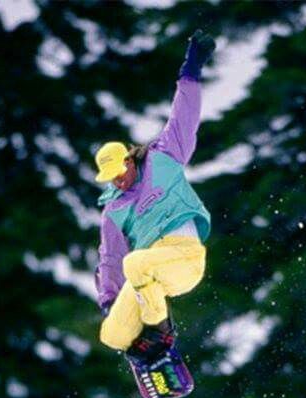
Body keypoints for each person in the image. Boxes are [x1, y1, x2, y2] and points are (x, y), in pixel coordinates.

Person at [94, 30, 216, 377]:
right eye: (111, 178)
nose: (118, 181)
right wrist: (109, 301)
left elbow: (184, 117)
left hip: (183, 258)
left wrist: (191, 70)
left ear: (130, 160)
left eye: (120, 172)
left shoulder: (163, 157)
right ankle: (150, 358)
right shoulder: (113, 211)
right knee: (112, 335)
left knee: (137, 264)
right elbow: (110, 258)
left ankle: (162, 336)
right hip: (147, 274)